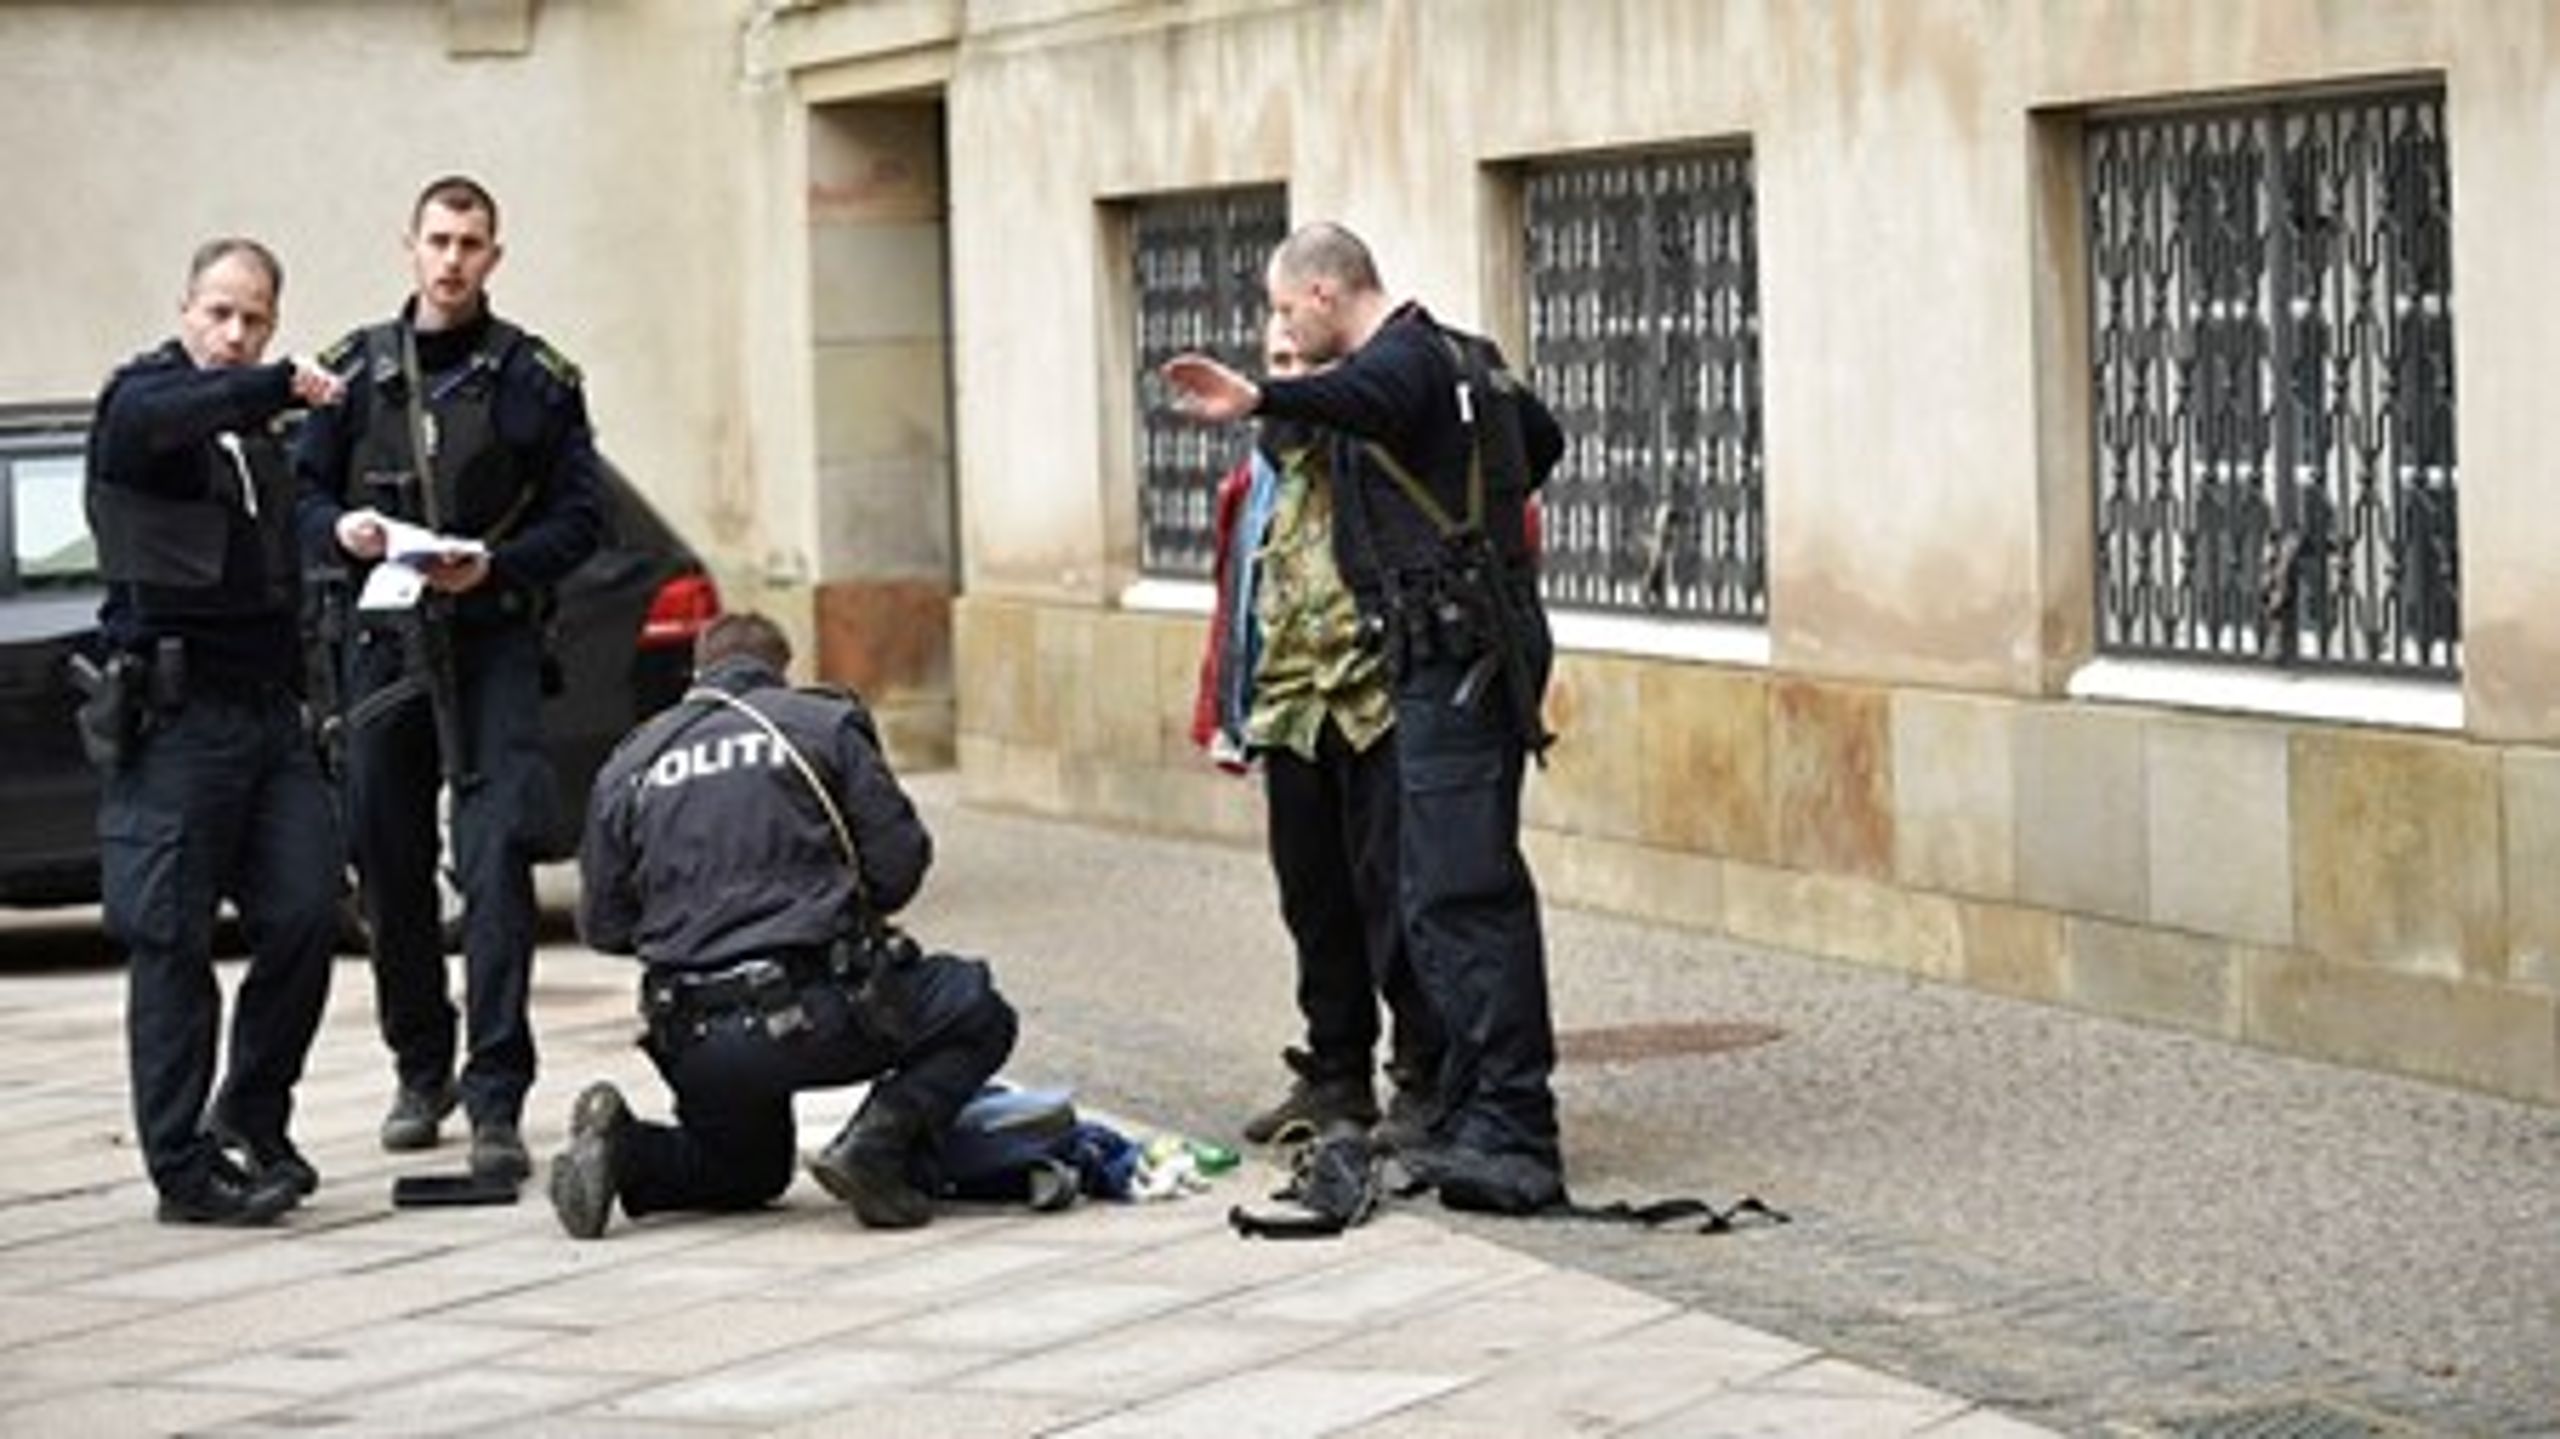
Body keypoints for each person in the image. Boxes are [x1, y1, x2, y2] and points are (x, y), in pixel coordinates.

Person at [1160, 221, 1570, 1214]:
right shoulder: (1463, 358)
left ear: (1323, 294)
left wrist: (1261, 396)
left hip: (1451, 661)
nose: (1282, 328)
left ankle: (1510, 1126)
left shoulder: (1407, 360)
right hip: (1451, 656)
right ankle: (1476, 1115)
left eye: (1284, 308)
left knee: (1463, 898)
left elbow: (1367, 396)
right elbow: (1542, 440)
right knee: (1435, 895)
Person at [294, 176, 605, 1181]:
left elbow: (582, 519)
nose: (453, 259)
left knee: (495, 859)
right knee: (386, 863)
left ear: (493, 256)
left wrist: (498, 566)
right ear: (411, 247)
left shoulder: (535, 379)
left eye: (471, 243)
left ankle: (496, 1091)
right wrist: (340, 531)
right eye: (438, 240)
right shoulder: (351, 372)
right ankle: (419, 1069)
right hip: (381, 644)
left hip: (492, 640)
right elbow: (299, 497)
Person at [548, 612, 1019, 1238]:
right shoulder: (820, 726)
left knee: (745, 1171)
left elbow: (605, 925)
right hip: (823, 1015)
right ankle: (876, 1145)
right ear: (781, 669)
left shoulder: (630, 761)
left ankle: (624, 1148)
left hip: (696, 1039)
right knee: (976, 1007)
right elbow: (898, 865)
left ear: (696, 672)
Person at [85, 237, 348, 1224]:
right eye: (219, 313)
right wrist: (275, 384)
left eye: (255, 319)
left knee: (308, 913)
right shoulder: (143, 404)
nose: (235, 334)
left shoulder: (259, 437)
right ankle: (183, 1169)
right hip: (176, 721)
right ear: (186, 309)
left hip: (270, 718)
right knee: (171, 942)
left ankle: (252, 1113)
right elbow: (164, 415)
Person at [1190, 315, 1441, 1149]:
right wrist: (1228, 712)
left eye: (1305, 363)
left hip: (1376, 709)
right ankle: (1336, 1077)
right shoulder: (1260, 471)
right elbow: (1241, 596)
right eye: (1276, 361)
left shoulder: (1382, 453)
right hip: (1292, 711)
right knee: (1315, 904)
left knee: (1397, 905)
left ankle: (1424, 1080)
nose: (1287, 378)